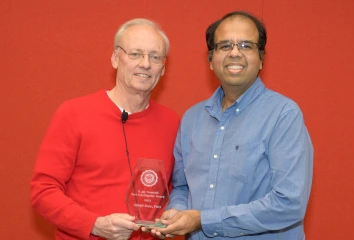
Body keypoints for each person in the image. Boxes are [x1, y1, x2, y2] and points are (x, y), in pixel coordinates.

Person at [148, 11, 314, 240]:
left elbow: (289, 203)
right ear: (211, 59)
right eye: (224, 46)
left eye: (246, 45)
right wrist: (176, 211)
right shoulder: (191, 120)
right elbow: (182, 187)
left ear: (261, 58)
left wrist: (203, 220)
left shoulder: (283, 115)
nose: (235, 53)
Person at [30, 18, 180, 240]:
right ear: (115, 58)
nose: (146, 64)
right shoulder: (73, 113)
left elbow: (177, 187)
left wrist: (172, 213)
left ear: (163, 68)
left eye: (155, 57)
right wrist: (94, 224)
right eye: (135, 54)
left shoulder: (173, 122)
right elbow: (43, 191)